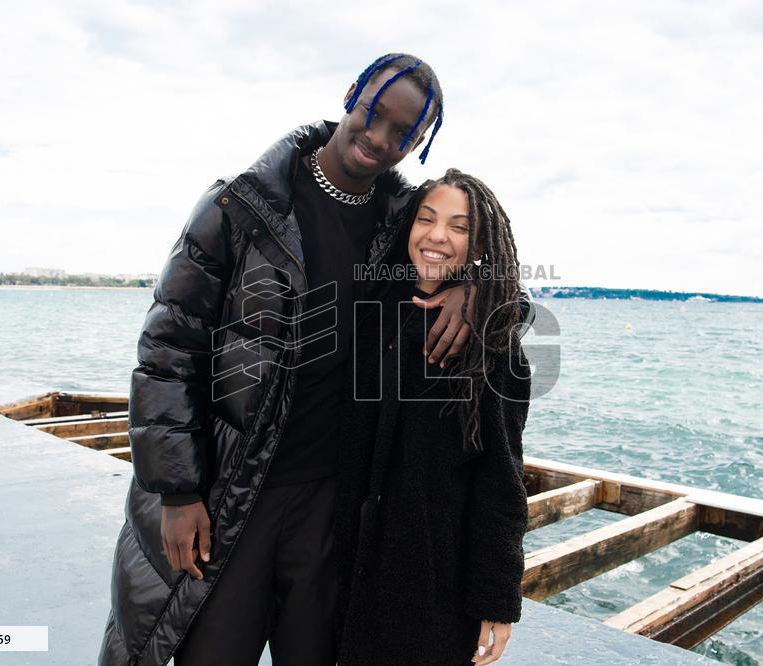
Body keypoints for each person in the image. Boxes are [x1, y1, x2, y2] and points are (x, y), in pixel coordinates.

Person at [98, 53, 484, 666]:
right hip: (234, 494)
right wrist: (174, 491)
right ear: (351, 94)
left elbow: (475, 249)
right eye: (373, 114)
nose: (380, 140)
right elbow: (167, 351)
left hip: (334, 506)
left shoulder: (401, 218)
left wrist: (476, 290)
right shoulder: (242, 206)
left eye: (404, 133)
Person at [333, 169, 532, 666]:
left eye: (460, 227)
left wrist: (497, 599)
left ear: (481, 244)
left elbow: (501, 480)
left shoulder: (493, 346)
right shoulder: (372, 306)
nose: (438, 236)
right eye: (427, 219)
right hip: (342, 567)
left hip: (430, 586)